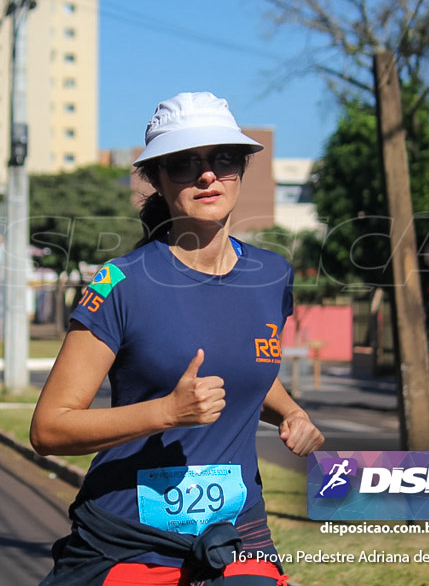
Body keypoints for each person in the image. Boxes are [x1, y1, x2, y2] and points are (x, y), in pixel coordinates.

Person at [30, 92, 325, 585]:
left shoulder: (273, 275)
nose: (207, 175)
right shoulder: (119, 282)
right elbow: (49, 429)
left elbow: (249, 367)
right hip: (130, 539)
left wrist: (291, 413)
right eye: (186, 164)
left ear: (241, 170)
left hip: (238, 535)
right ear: (158, 180)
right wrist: (167, 412)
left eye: (223, 159)